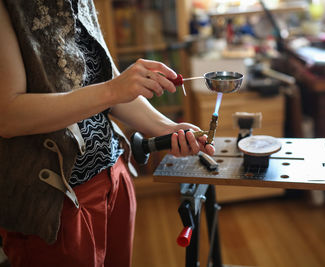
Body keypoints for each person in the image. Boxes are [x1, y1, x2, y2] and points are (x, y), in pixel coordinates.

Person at [0, 1, 214, 266]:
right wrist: (114, 89)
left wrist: (166, 127)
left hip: (114, 174)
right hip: (55, 204)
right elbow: (7, 115)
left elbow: (109, 82)